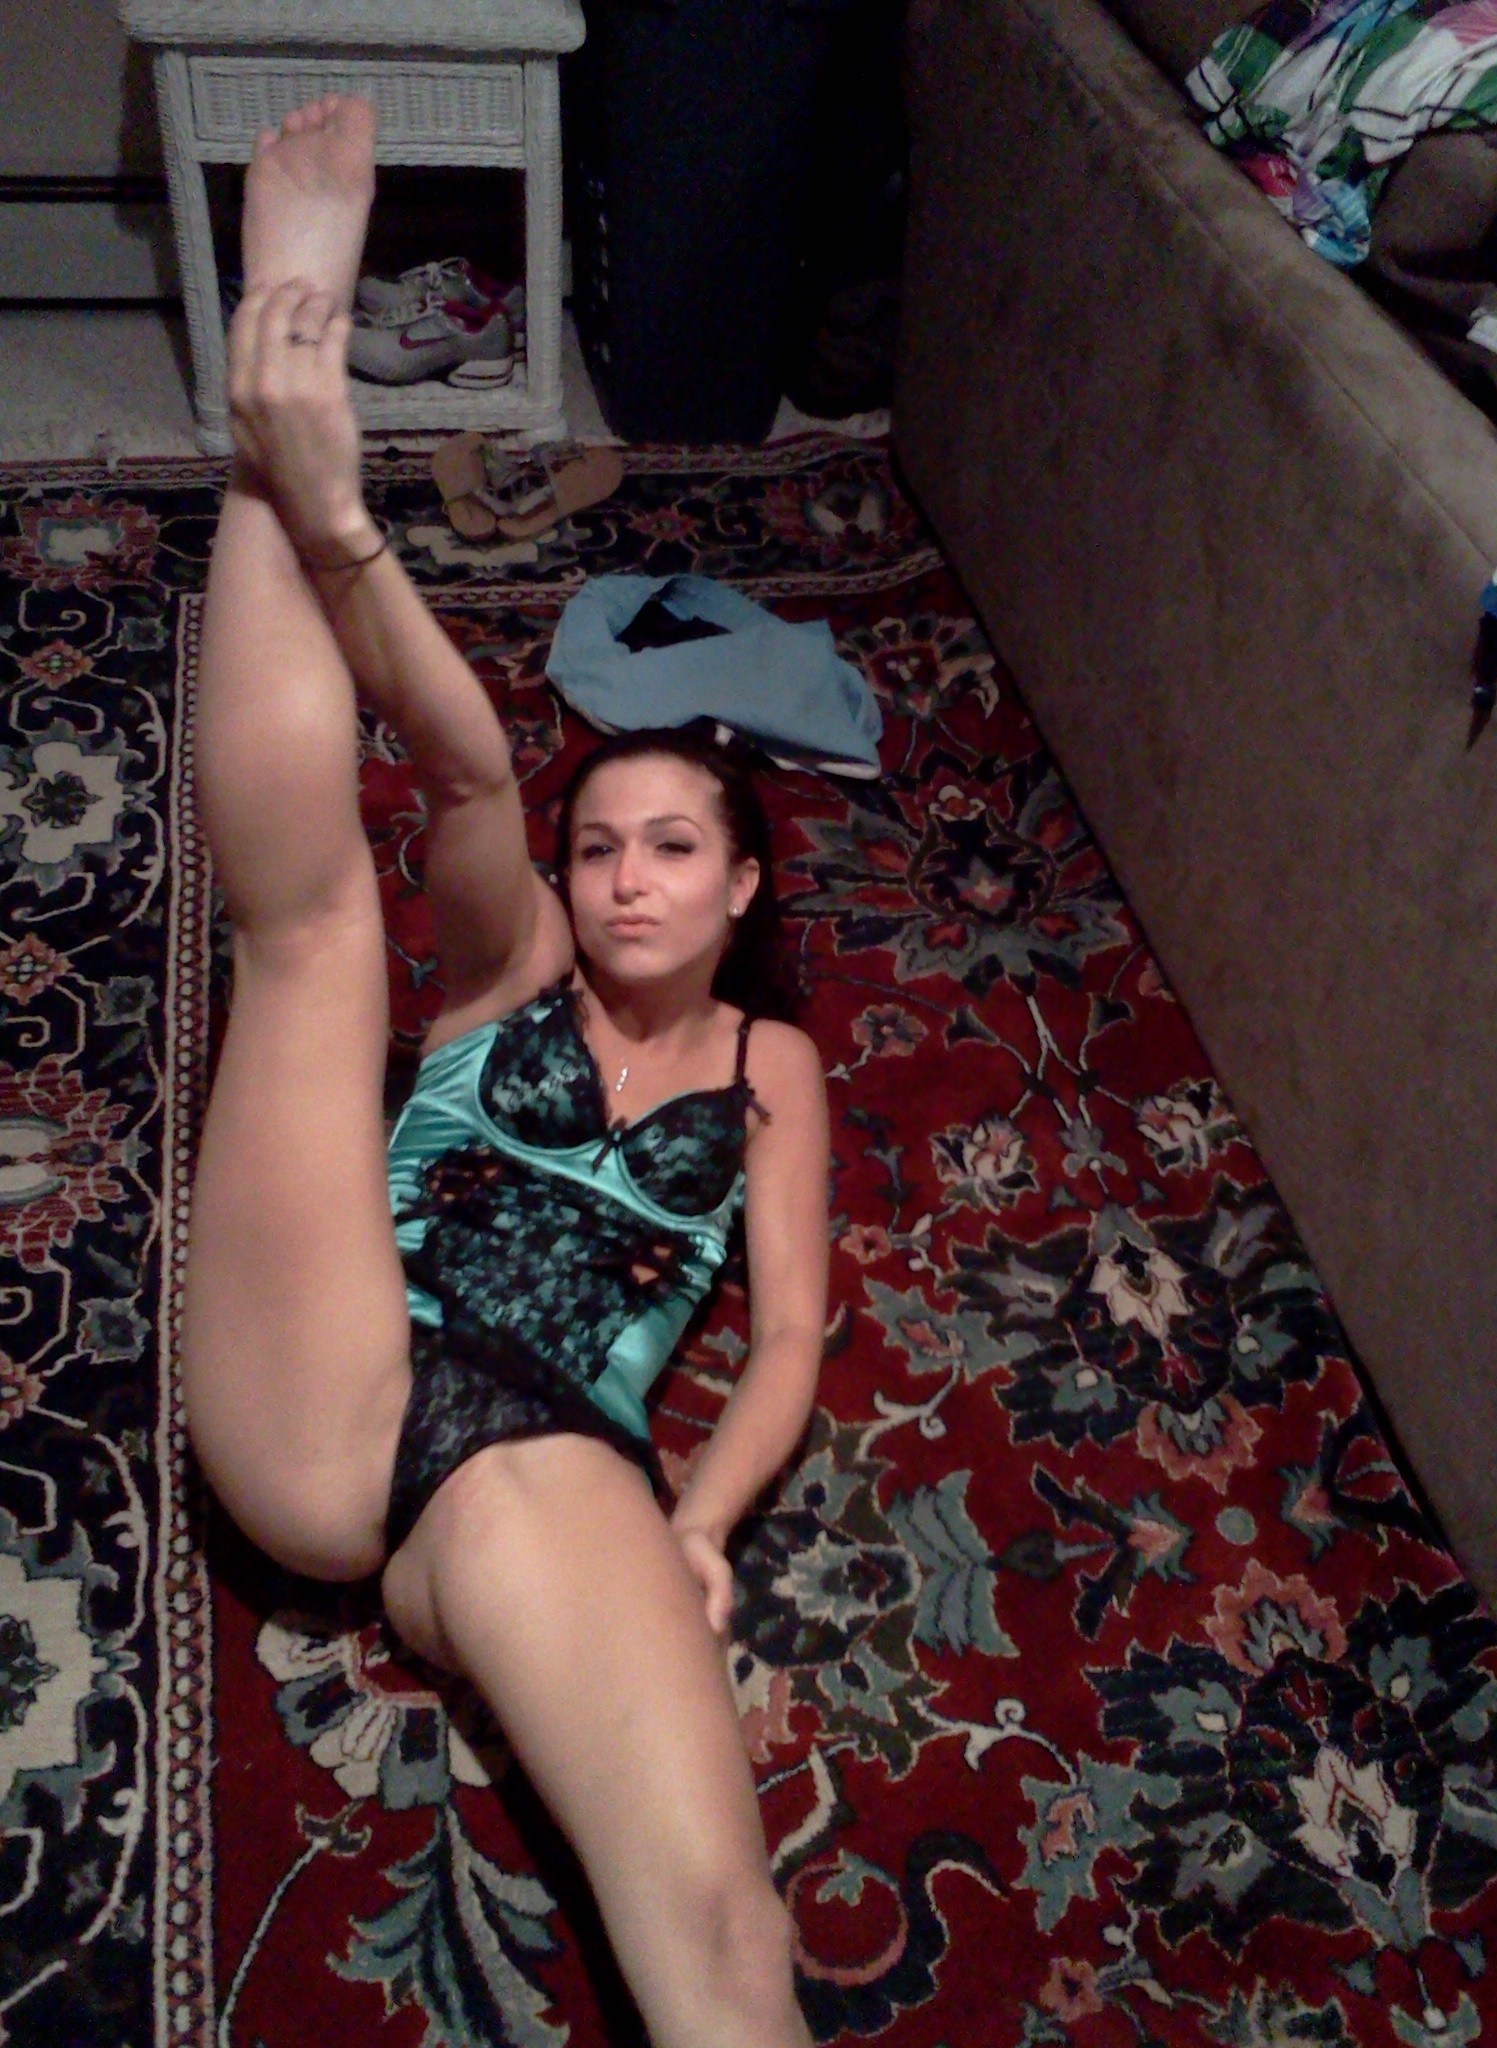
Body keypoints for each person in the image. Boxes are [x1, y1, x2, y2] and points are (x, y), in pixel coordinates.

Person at [183, 96, 829, 2048]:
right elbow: (467, 774)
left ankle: (287, 413)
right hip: (339, 1364)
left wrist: (699, 1526)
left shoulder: (776, 1064)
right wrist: (340, 514)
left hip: (538, 1455)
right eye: (601, 840)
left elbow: (788, 1335)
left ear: (743, 883)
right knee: (314, 935)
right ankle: (282, 381)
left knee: (721, 1938)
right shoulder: (518, 959)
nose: (621, 876)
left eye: (671, 847)